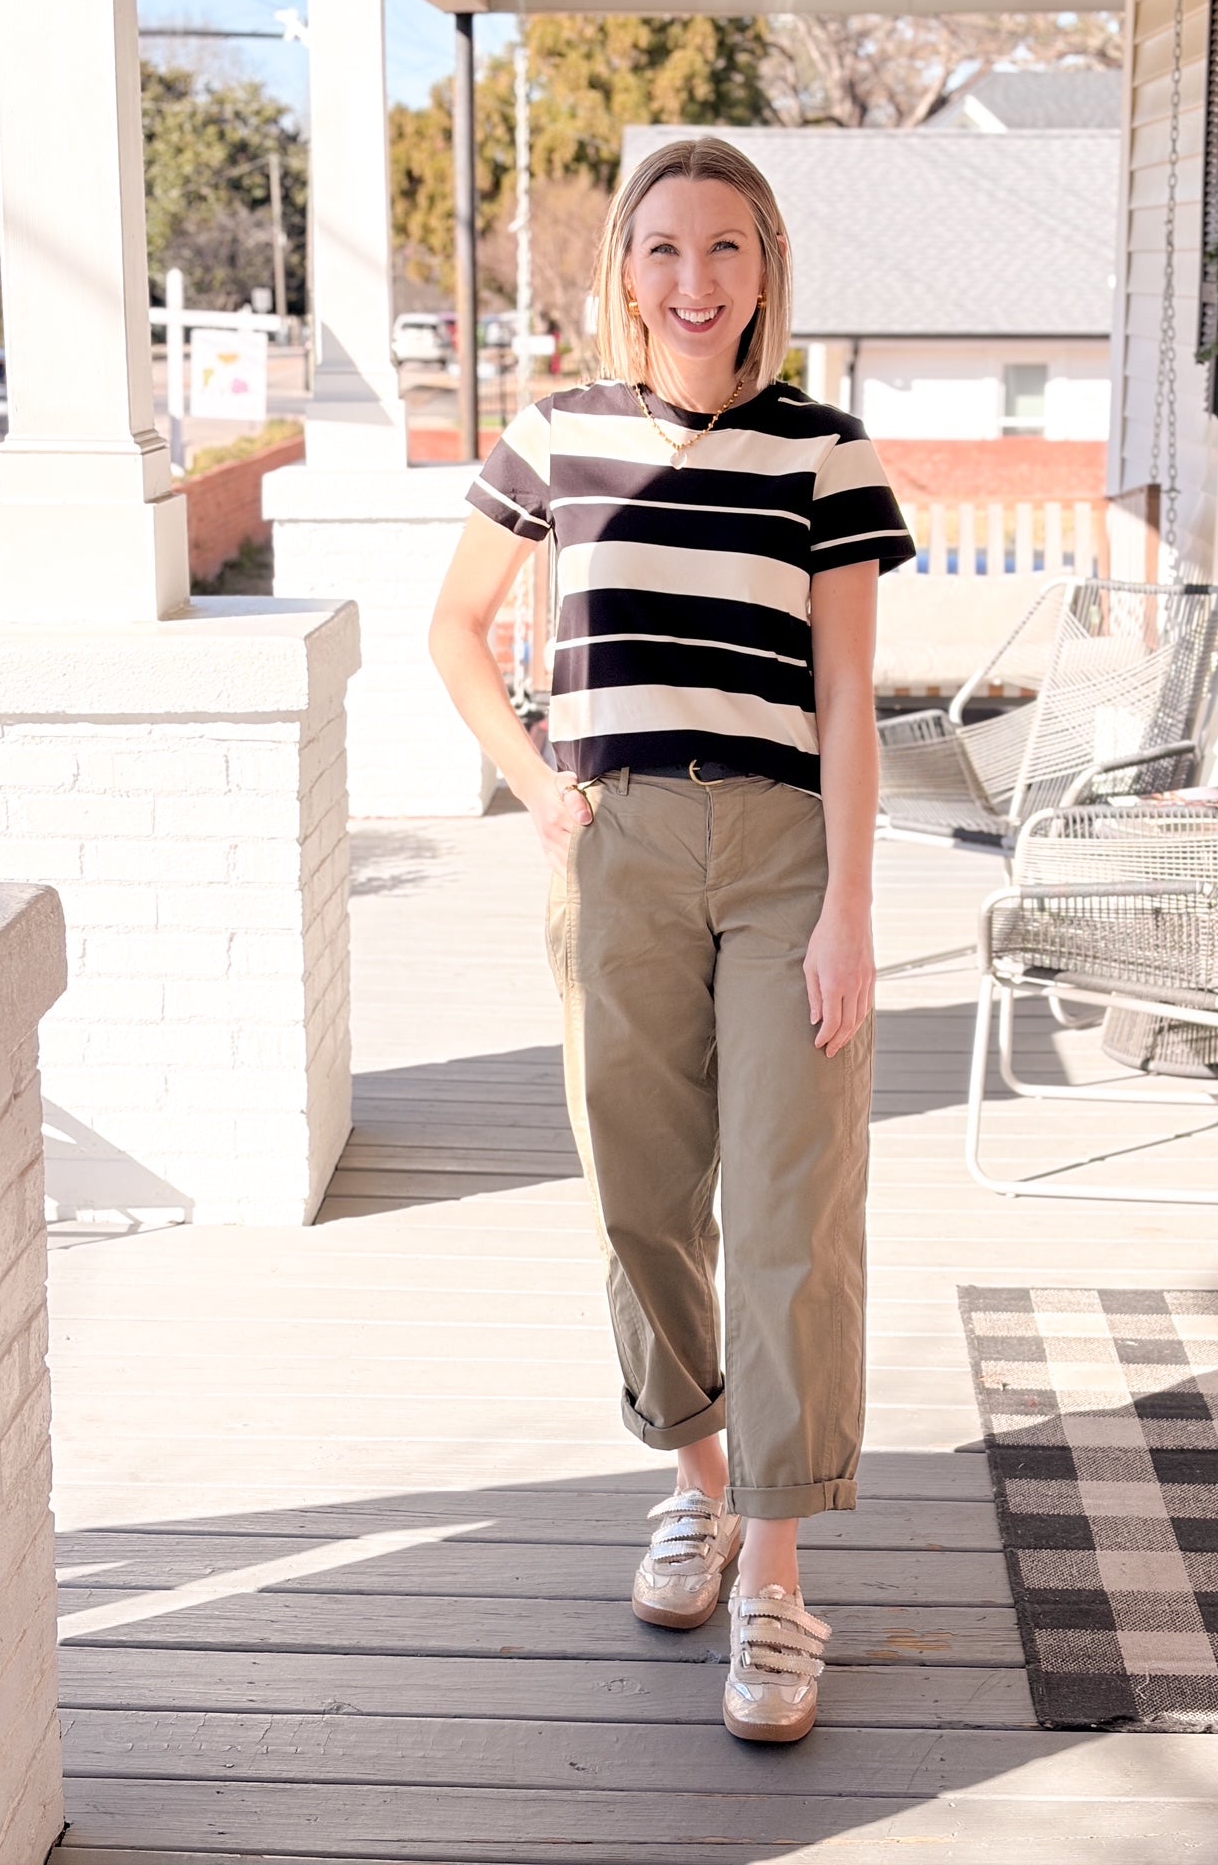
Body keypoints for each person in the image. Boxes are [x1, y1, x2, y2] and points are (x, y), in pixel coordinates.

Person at [429, 136, 913, 1741]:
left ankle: (774, 1577)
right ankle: (700, 1485)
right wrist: (536, 785)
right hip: (615, 841)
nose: (692, 282)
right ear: (623, 272)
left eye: (724, 248)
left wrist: (850, 904)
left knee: (787, 1204)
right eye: (661, 250)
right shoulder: (551, 435)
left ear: (766, 268)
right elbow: (456, 625)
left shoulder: (827, 456)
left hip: (783, 854)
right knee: (639, 1193)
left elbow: (846, 700)